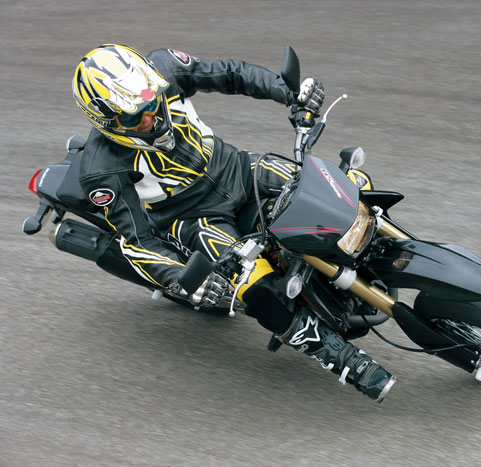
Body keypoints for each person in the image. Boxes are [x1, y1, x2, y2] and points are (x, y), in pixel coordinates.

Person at [72, 44, 395, 402]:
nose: (150, 119)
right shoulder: (101, 170)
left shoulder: (164, 68)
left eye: (152, 105)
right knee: (256, 287)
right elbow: (137, 242)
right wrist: (182, 279)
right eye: (135, 119)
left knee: (349, 185)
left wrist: (288, 93)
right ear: (107, 122)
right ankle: (341, 358)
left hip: (239, 169)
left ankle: (393, 254)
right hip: (192, 217)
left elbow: (230, 74)